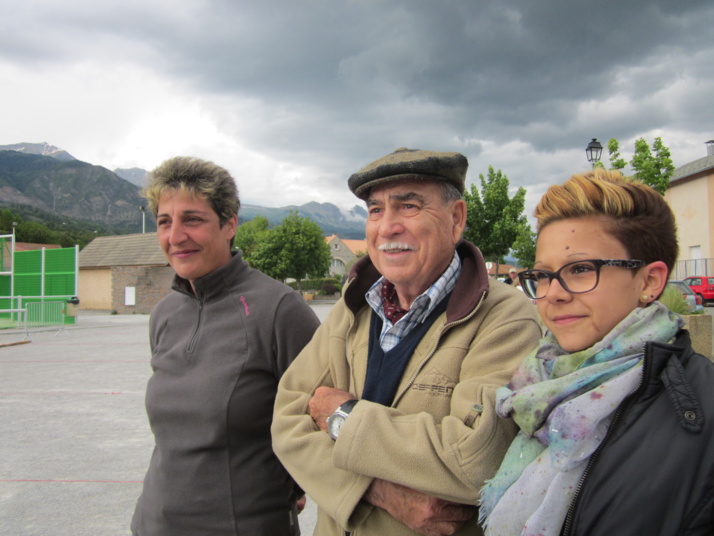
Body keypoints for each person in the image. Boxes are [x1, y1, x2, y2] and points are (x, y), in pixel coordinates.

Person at [272, 148, 542, 536]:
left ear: (456, 218)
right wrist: (374, 491)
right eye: (376, 210)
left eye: (409, 206)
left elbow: (475, 460)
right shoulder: (353, 308)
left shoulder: (505, 317)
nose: (386, 228)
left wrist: (341, 416)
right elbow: (286, 418)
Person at [479, 169, 714, 535]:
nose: (554, 293)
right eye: (542, 275)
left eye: (581, 269)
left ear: (650, 282)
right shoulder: (533, 389)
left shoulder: (701, 414)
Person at [131, 156, 320, 536]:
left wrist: (295, 486)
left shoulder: (280, 310)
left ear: (230, 224)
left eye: (193, 219)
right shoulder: (165, 313)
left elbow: (321, 423)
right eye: (165, 222)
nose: (175, 236)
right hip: (155, 523)